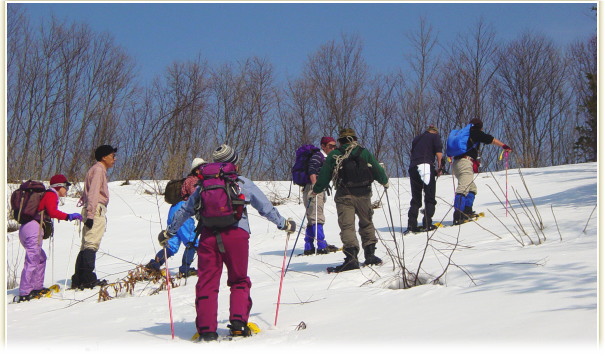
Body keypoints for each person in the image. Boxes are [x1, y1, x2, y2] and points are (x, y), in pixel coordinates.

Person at [157, 144, 296, 342]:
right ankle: (239, 325)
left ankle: (207, 331)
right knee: (239, 280)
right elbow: (264, 207)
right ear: (234, 164)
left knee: (206, 283)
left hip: (208, 235)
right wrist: (283, 224)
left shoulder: (202, 185)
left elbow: (186, 210)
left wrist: (169, 232)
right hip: (236, 234)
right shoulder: (242, 182)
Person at [312, 128, 389, 272]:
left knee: (347, 227)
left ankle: (351, 258)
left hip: (344, 196)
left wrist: (316, 190)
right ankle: (370, 255)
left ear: (340, 141)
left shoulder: (335, 155)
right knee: (366, 223)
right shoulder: (364, 152)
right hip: (364, 195)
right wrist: (384, 181)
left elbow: (324, 176)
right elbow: (377, 169)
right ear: (354, 139)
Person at [16, 175, 83, 302]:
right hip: (33, 229)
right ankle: (24, 292)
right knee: (32, 259)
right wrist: (69, 216)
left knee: (40, 258)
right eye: (66, 186)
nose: (67, 189)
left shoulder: (48, 195)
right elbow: (52, 212)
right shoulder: (51, 194)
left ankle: (36, 287)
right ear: (59, 186)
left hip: (27, 229)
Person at [146, 158, 206, 278]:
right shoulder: (193, 181)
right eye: (202, 168)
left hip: (174, 210)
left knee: (172, 244)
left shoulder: (190, 180)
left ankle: (154, 265)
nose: (205, 170)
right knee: (192, 241)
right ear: (196, 170)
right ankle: (185, 269)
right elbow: (196, 196)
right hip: (183, 212)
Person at [71, 144, 117, 290]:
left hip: (91, 209)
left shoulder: (96, 169)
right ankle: (87, 279)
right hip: (95, 210)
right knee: (92, 244)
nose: (114, 159)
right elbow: (94, 194)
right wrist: (91, 215)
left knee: (86, 244)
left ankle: (78, 278)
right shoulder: (98, 170)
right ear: (104, 157)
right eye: (112, 156)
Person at [452, 118, 512, 225]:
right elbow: (491, 139)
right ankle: (458, 215)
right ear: (480, 126)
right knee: (464, 187)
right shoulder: (475, 132)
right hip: (465, 162)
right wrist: (504, 146)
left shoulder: (462, 134)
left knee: (472, 188)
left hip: (457, 163)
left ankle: (467, 211)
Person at [302, 136, 339, 255]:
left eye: (334, 146)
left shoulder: (326, 157)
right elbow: (312, 170)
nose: (333, 148)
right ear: (323, 146)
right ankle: (321, 245)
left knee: (312, 217)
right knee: (317, 217)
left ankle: (309, 246)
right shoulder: (319, 156)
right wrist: (315, 187)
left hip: (315, 188)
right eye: (330, 146)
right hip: (314, 189)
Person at [406, 125, 443, 233]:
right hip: (425, 166)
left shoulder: (416, 139)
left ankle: (411, 225)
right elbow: (439, 154)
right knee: (430, 195)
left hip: (413, 168)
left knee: (416, 199)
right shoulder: (434, 137)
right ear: (435, 132)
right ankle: (427, 223)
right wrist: (440, 167)